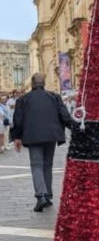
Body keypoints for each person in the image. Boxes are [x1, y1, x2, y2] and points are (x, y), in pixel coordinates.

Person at [12, 74, 73, 211]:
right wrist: (75, 128)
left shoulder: (23, 99)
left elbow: (18, 120)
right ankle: (48, 195)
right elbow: (64, 115)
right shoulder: (54, 97)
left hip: (33, 137)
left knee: (37, 165)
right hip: (51, 136)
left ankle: (41, 197)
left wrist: (16, 137)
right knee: (47, 165)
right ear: (44, 83)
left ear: (32, 84)